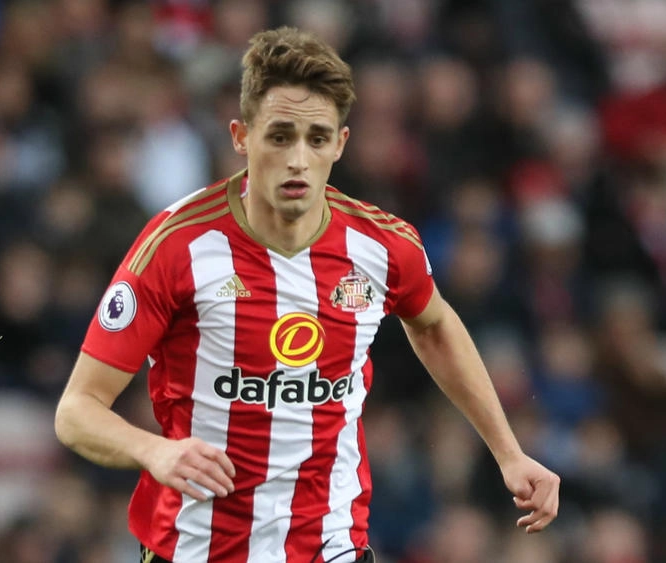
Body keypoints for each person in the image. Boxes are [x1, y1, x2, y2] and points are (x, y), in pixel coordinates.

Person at [54, 26, 560, 563]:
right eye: (280, 136)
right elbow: (76, 410)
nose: (298, 158)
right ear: (241, 137)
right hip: (198, 549)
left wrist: (509, 452)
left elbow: (434, 324)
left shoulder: (382, 245)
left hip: (331, 546)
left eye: (317, 139)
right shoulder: (176, 246)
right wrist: (153, 450)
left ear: (340, 143)